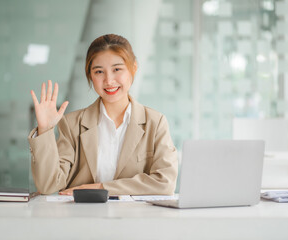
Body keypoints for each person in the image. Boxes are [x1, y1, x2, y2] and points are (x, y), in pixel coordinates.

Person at [28, 34, 178, 196]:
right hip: (83, 217)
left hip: (134, 219)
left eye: (117, 69)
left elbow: (165, 183)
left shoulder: (155, 123)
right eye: (99, 72)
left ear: (133, 68)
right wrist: (45, 130)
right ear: (90, 76)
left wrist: (101, 188)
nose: (109, 80)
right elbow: (48, 185)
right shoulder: (72, 124)